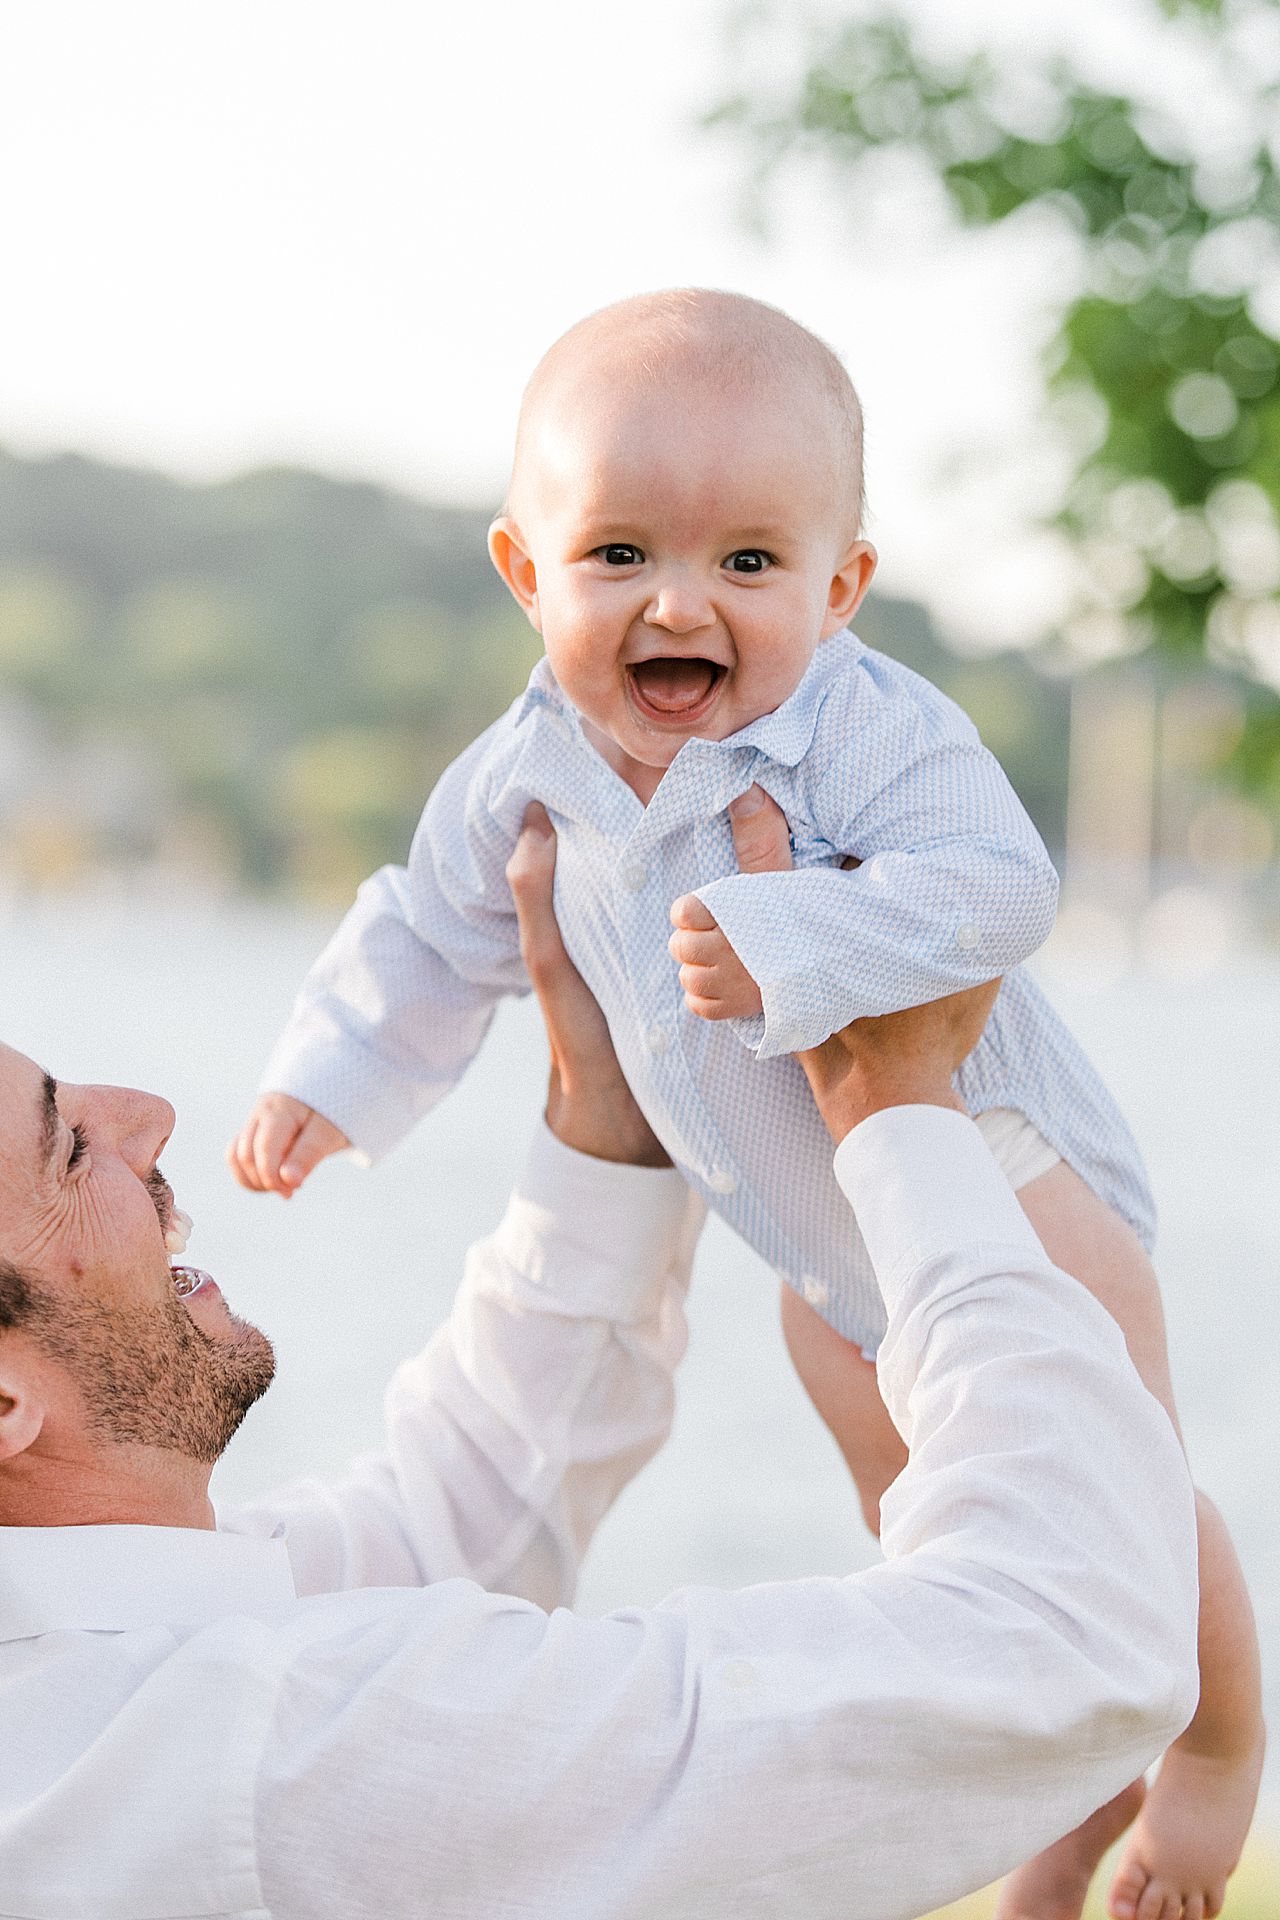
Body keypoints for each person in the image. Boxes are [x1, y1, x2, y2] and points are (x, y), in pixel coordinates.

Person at [230, 288, 1260, 1919]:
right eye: (621, 555)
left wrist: (795, 931)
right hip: (815, 1245)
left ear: (842, 586)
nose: (678, 605)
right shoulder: (525, 765)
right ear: (527, 571)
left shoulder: (860, 728)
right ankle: (1067, 1789)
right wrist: (330, 1078)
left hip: (1004, 1171)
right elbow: (430, 924)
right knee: (945, 1522)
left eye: (750, 565)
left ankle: (1211, 1763)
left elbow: (997, 884)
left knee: (1104, 1478)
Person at [0, 806, 1198, 1918]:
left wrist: (612, 1107)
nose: (146, 1112)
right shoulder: (261, 1753)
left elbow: (443, 1529)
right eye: (67, 1151)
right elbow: (1064, 1638)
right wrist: (898, 1107)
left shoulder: (101, 1681)